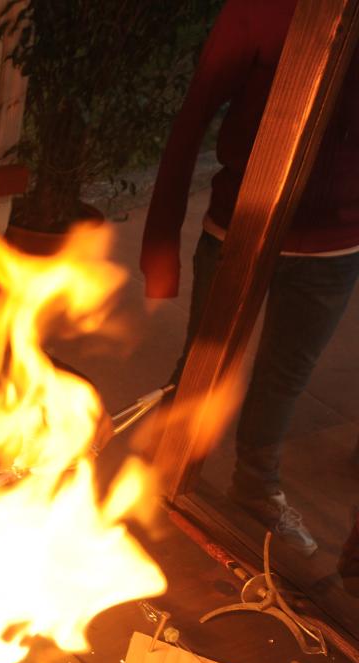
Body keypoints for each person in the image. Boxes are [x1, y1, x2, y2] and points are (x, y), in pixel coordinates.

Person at [140, 0, 359, 557]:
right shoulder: (261, 9)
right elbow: (192, 120)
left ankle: (256, 488)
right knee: (204, 361)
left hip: (336, 244)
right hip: (241, 229)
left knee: (286, 374)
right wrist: (160, 246)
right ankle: (157, 477)